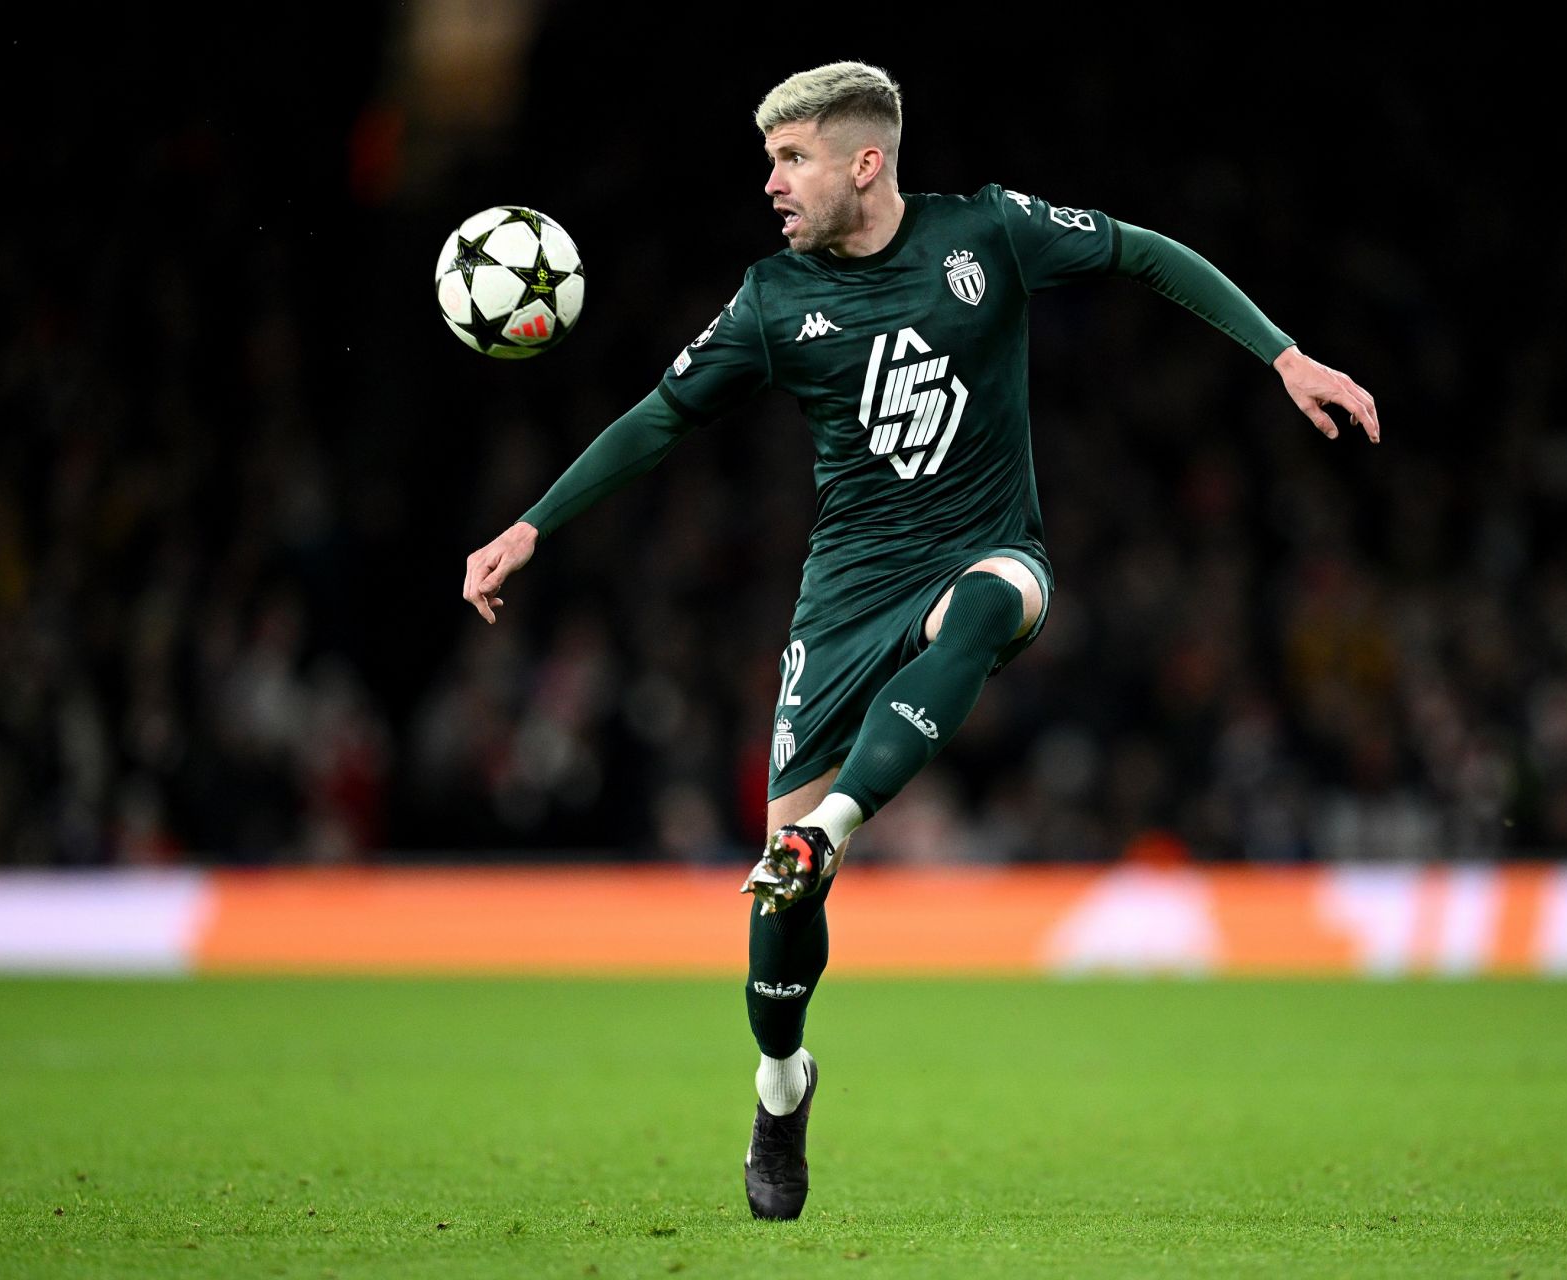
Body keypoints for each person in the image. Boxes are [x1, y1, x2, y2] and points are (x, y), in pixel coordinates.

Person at [460, 60, 1380, 1220]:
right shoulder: (769, 300)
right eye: (768, 162)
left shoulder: (988, 232)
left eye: (790, 160)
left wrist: (1285, 354)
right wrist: (532, 526)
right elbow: (660, 417)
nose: (771, 184)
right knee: (775, 922)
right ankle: (782, 1087)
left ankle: (835, 830)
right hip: (845, 597)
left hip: (990, 547)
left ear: (866, 162)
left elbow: (1144, 249)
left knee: (992, 606)